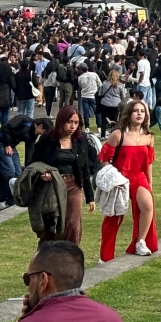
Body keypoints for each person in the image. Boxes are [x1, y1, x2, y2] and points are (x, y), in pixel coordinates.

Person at [98, 99, 158, 260]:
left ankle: (140, 241)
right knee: (114, 218)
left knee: (147, 206)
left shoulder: (149, 137)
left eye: (142, 111)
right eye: (136, 111)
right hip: (120, 180)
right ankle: (105, 256)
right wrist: (111, 175)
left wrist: (149, 182)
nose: (139, 114)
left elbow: (149, 162)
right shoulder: (118, 134)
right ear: (129, 113)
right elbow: (104, 158)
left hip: (139, 178)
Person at [30, 105, 97, 244]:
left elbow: (84, 168)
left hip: (74, 185)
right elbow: (34, 163)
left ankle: (70, 255)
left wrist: (90, 197)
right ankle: (47, 254)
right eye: (69, 122)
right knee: (52, 225)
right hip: (52, 186)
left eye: (76, 122)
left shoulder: (80, 139)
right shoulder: (48, 139)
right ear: (61, 121)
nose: (73, 126)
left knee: (73, 224)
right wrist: (43, 174)